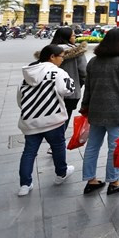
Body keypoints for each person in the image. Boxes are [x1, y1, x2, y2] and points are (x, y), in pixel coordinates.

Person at [80, 28, 119, 195]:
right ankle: (114, 182)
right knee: (114, 148)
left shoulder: (94, 61)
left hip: (96, 111)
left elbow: (88, 88)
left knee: (92, 146)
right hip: (117, 113)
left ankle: (91, 180)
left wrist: (85, 107)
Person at [17, 45, 76, 196]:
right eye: (61, 56)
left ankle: (25, 184)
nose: (62, 60)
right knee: (57, 146)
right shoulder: (57, 72)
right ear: (52, 57)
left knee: (29, 152)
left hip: (30, 120)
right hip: (53, 118)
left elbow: (20, 99)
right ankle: (61, 174)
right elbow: (68, 90)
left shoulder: (27, 74)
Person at [49, 27, 88, 129]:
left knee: (51, 118)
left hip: (49, 91)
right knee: (65, 118)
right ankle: (59, 140)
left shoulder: (49, 51)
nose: (75, 37)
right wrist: (78, 84)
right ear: (68, 37)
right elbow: (83, 72)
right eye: (73, 35)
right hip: (70, 92)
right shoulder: (77, 52)